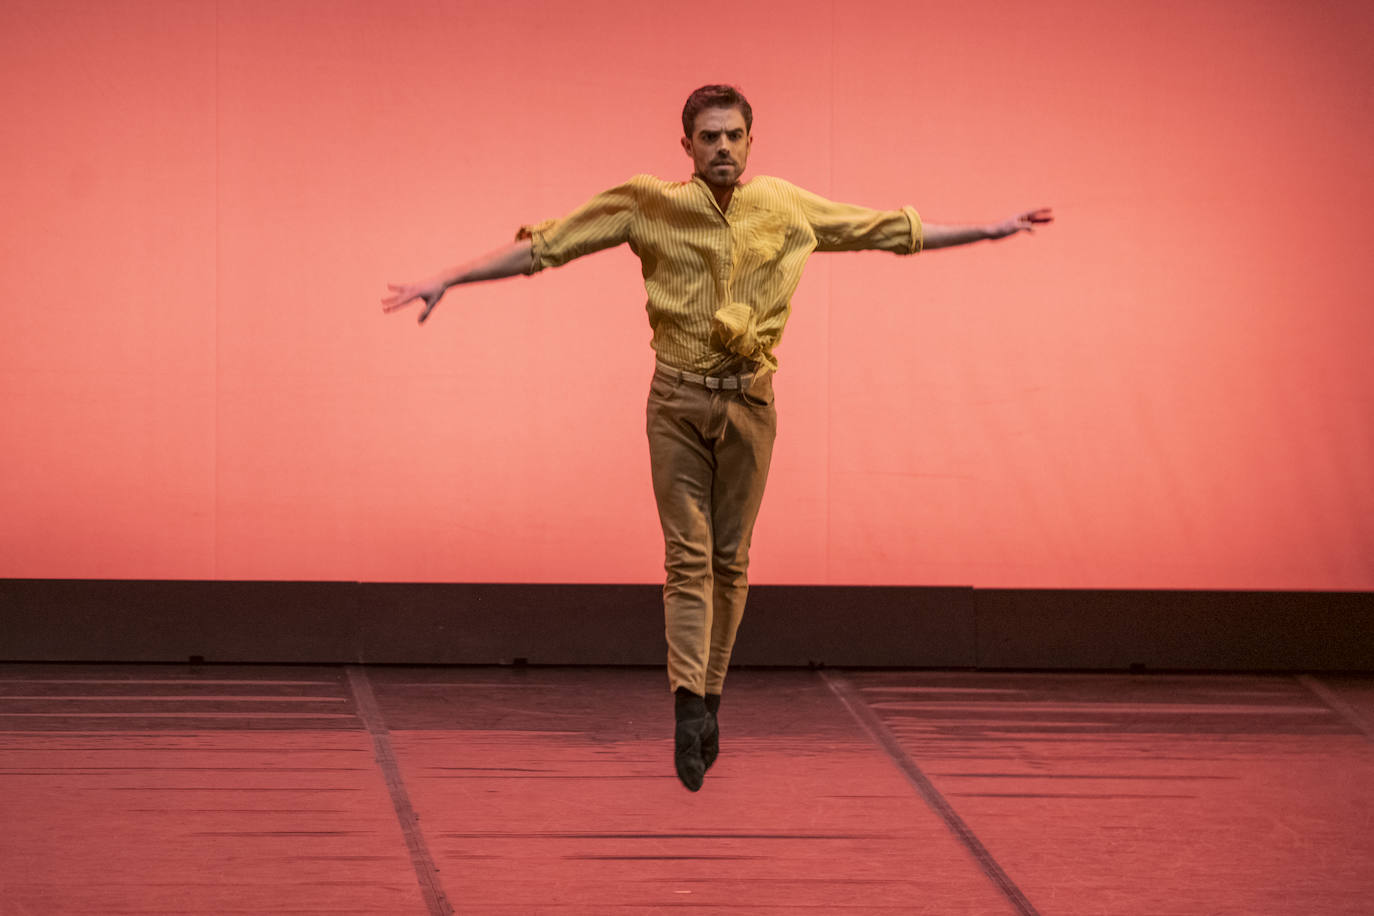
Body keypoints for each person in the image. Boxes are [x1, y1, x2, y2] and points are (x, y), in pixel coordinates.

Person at [382, 84, 1052, 792]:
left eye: (733, 135)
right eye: (709, 137)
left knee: (730, 560)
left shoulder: (787, 207)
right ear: (687, 146)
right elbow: (547, 247)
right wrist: (448, 277)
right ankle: (685, 704)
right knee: (687, 556)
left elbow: (887, 230)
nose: (722, 147)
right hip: (675, 401)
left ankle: (711, 699)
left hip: (751, 407)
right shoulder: (650, 203)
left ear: (751, 142)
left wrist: (989, 229)